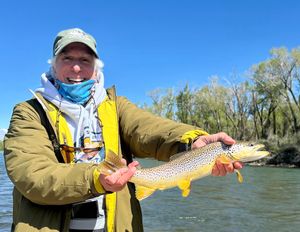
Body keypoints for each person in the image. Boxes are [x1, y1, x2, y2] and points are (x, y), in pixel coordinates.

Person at [4, 28, 243, 232]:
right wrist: (96, 178)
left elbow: (150, 129)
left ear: (96, 69)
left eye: (85, 60)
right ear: (53, 66)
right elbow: (32, 176)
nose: (76, 68)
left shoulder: (116, 106)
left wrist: (192, 141)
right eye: (67, 58)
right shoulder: (29, 112)